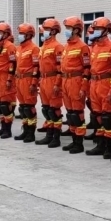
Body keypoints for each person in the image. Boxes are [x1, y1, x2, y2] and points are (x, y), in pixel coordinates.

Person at [86, 17, 111, 158]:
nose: (95, 32)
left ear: (106, 31)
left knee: (107, 118)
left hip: (105, 84)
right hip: (94, 84)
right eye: (95, 29)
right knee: (96, 116)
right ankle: (100, 145)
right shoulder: (94, 48)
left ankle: (108, 149)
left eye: (98, 29)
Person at [59, 17, 91, 154]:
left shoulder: (82, 47)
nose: (66, 31)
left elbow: (87, 69)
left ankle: (79, 143)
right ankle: (73, 140)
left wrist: (83, 87)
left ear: (76, 30)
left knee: (77, 114)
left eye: (69, 28)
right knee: (70, 113)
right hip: (66, 81)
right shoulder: (66, 47)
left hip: (76, 81)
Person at [35, 19, 65, 148]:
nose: (43, 32)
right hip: (44, 80)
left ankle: (56, 138)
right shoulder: (43, 47)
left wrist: (57, 84)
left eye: (46, 30)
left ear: (53, 31)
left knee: (54, 110)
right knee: (46, 110)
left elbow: (60, 68)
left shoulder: (57, 47)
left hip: (53, 80)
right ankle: (49, 135)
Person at [14, 23, 41, 142]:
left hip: (28, 80)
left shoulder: (34, 48)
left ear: (29, 35)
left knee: (29, 108)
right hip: (19, 80)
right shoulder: (19, 49)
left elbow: (36, 67)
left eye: (22, 34)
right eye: (19, 33)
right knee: (23, 108)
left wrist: (34, 83)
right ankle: (25, 131)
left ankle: (31, 133)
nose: (19, 36)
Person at [0, 23, 18, 138]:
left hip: (4, 77)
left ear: (6, 34)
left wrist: (9, 79)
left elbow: (13, 64)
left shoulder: (10, 46)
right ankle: (2, 127)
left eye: (0, 32)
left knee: (5, 105)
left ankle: (8, 130)